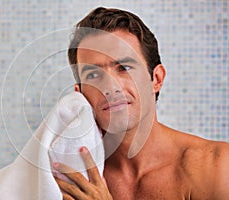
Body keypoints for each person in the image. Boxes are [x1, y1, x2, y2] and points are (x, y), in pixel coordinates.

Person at [53, 7, 229, 199]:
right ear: (80, 96)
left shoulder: (215, 166)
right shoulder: (69, 178)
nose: (110, 87)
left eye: (124, 68)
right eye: (93, 75)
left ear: (156, 79)